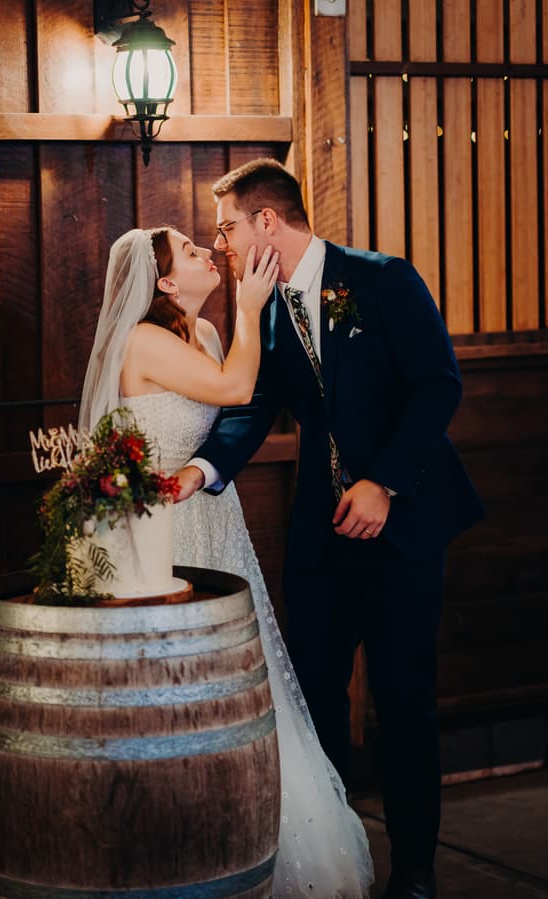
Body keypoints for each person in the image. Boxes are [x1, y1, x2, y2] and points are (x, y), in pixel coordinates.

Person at [175, 159, 485, 899]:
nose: (221, 244)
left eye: (227, 227)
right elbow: (252, 407)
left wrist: (384, 482)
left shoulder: (381, 279)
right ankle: (338, 860)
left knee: (404, 694)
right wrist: (201, 470)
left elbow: (438, 382)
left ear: (267, 223)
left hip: (402, 524)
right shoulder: (269, 308)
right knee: (314, 697)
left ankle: (414, 867)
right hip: (322, 535)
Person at [78, 226, 374, 898]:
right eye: (187, 251)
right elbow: (237, 390)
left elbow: (243, 403)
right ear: (162, 283)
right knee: (174, 686)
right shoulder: (145, 340)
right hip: (161, 531)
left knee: (239, 677)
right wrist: (249, 303)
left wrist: (244, 317)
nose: (205, 252)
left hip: (214, 516)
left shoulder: (205, 335)